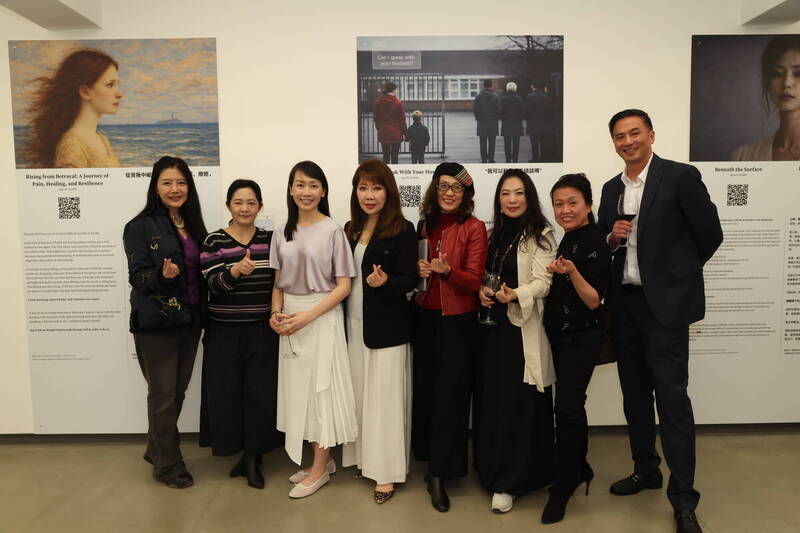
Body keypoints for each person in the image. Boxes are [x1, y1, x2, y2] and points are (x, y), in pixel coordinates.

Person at [598, 109, 723, 533]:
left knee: (672, 402)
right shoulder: (611, 188)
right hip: (626, 306)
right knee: (634, 397)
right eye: (620, 136)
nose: (628, 141)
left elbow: (710, 234)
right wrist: (611, 238)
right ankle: (646, 470)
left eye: (634, 133)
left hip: (665, 309)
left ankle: (684, 499)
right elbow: (605, 241)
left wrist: (675, 275)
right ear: (614, 143)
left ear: (651, 134)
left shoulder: (680, 176)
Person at [269, 161, 358, 499]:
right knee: (300, 395)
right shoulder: (282, 231)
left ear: (323, 191)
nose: (306, 191)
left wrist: (306, 317)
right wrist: (275, 313)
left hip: (320, 317)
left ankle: (319, 470)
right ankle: (323, 461)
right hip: (290, 321)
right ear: (291, 190)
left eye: (313, 185)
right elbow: (278, 282)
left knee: (322, 393)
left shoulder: (333, 230)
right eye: (300, 184)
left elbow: (344, 286)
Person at [474, 169, 557, 514]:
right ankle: (490, 469)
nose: (512, 200)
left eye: (519, 193)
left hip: (521, 330)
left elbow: (543, 283)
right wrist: (482, 290)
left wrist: (515, 294)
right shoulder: (492, 234)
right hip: (491, 329)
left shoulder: (542, 236)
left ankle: (511, 481)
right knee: (493, 402)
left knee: (517, 405)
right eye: (506, 193)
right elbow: (484, 274)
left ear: (529, 197)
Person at [123, 156, 207, 488]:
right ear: (155, 187)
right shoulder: (139, 226)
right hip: (156, 324)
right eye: (167, 182)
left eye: (181, 182)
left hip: (190, 321)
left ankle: (155, 449)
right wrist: (161, 274)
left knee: (177, 393)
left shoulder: (194, 225)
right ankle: (168, 466)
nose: (175, 189)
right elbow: (137, 276)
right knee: (162, 396)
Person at [412, 162, 488, 512]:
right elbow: (417, 273)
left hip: (458, 321)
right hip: (423, 317)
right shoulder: (423, 225)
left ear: (466, 194)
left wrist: (448, 271)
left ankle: (441, 473)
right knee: (426, 392)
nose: (448, 193)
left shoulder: (474, 228)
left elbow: (475, 279)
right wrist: (418, 270)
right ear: (434, 188)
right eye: (443, 185)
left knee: (450, 397)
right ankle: (428, 458)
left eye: (456, 188)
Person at [342, 159, 417, 503]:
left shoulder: (403, 229)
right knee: (360, 397)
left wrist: (385, 282)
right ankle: (364, 460)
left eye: (376, 188)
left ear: (388, 192)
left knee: (385, 401)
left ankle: (386, 473)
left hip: (388, 329)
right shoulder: (350, 229)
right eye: (363, 188)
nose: (369, 195)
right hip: (354, 327)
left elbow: (409, 279)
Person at [198, 179, 281, 489]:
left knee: (260, 396)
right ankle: (241, 454)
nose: (245, 208)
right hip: (223, 333)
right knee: (228, 396)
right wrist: (234, 271)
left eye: (251, 202)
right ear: (228, 206)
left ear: (260, 206)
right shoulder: (214, 241)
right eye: (238, 202)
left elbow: (279, 282)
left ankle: (253, 457)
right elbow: (213, 285)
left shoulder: (270, 240)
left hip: (262, 330)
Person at [540, 173, 611, 524]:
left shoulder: (596, 240)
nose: (565, 210)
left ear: (588, 205)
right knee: (569, 407)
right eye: (559, 204)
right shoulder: (567, 238)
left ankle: (564, 483)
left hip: (581, 338)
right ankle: (578, 466)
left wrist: (570, 272)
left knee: (567, 409)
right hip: (559, 335)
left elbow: (594, 300)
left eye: (572, 203)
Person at [26, 49, 122, 168]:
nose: (120, 94)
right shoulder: (71, 146)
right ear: (85, 92)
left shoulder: (102, 139)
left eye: (117, 85)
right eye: (110, 85)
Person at [733, 35, 800, 160]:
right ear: (767, 82)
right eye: (777, 73)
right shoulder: (743, 156)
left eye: (798, 73)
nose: (786, 83)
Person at [374, 82, 407, 164]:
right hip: (396, 132)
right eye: (396, 89)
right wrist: (404, 132)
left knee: (385, 156)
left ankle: (386, 171)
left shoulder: (378, 102)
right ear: (393, 90)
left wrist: (379, 128)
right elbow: (402, 119)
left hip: (384, 131)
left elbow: (376, 118)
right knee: (395, 156)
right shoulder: (397, 102)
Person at [499, 82, 525, 163]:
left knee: (507, 143)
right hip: (517, 124)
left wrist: (503, 118)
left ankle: (508, 160)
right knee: (516, 143)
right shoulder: (519, 99)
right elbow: (522, 111)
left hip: (506, 124)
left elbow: (500, 111)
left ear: (507, 89)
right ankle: (515, 160)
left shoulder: (503, 99)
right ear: (515, 89)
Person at [473, 79, 499, 163]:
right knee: (492, 142)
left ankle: (484, 159)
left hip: (482, 122)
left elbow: (475, 110)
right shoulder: (496, 97)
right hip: (493, 122)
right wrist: (496, 118)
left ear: (484, 85)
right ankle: (491, 159)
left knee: (482, 142)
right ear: (491, 85)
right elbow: (499, 110)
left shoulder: (478, 96)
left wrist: (478, 119)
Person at [526, 82, 551, 162]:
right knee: (543, 141)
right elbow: (549, 111)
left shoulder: (530, 96)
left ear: (533, 86)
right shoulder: (546, 97)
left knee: (534, 142)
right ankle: (543, 157)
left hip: (533, 123)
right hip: (543, 122)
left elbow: (528, 110)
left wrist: (528, 119)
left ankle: (535, 158)